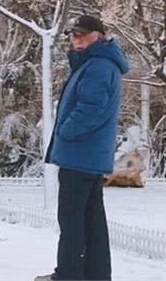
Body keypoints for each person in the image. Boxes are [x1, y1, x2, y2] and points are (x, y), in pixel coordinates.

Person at [36, 15, 130, 281]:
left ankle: (68, 275)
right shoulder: (97, 64)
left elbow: (90, 108)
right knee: (91, 220)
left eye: (81, 34)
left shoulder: (98, 66)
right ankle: (96, 274)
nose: (75, 39)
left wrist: (65, 131)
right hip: (87, 156)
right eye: (73, 35)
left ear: (98, 37)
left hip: (79, 155)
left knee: (72, 219)